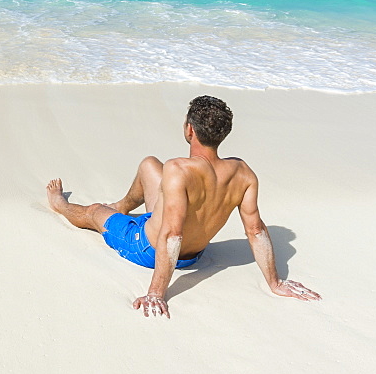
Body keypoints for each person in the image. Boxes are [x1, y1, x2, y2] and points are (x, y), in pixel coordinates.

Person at [46, 95, 320, 319]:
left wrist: (156, 292)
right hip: (194, 252)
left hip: (148, 248)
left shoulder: (179, 168)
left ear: (190, 130)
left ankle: (61, 205)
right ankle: (120, 206)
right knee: (150, 165)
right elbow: (256, 231)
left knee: (94, 212)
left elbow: (172, 235)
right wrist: (275, 282)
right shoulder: (243, 173)